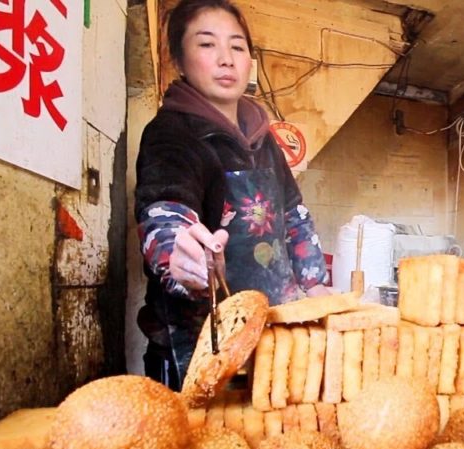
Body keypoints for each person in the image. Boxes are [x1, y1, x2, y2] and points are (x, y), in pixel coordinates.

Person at [135, 0, 331, 390]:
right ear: (179, 59)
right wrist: (182, 255)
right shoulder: (171, 133)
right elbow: (165, 210)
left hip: (274, 338)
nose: (226, 59)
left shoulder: (265, 139)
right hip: (205, 344)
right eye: (207, 45)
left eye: (237, 47)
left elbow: (293, 216)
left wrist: (316, 287)